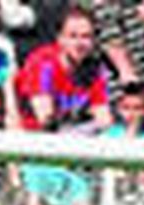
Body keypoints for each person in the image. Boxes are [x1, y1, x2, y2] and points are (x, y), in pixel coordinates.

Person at [14, 4, 111, 133]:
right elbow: (45, 119)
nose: (79, 44)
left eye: (86, 37)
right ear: (60, 39)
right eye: (73, 36)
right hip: (33, 138)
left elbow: (105, 120)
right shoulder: (42, 62)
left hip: (77, 136)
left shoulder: (95, 70)